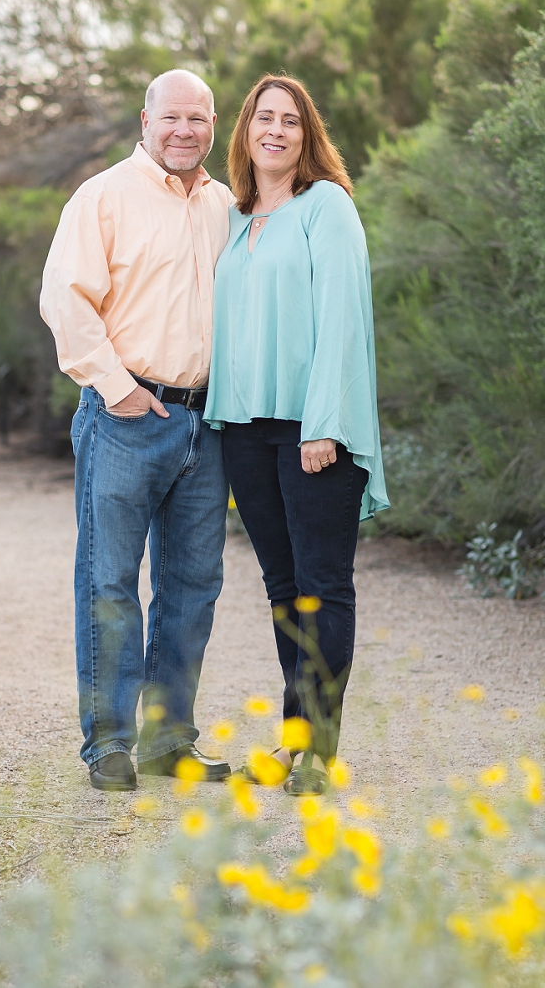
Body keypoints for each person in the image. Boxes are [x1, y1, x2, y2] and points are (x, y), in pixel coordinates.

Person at [40, 69, 235, 791]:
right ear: (145, 120)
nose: (186, 130)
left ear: (214, 126)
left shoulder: (224, 205)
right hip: (125, 417)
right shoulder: (103, 197)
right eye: (173, 117)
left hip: (204, 421)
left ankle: (167, 740)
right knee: (110, 583)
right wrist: (117, 389)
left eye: (200, 118)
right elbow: (65, 298)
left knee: (192, 585)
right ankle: (109, 744)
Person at [204, 74, 389, 796]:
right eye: (263, 118)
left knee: (321, 585)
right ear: (245, 131)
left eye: (290, 120)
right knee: (282, 588)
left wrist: (324, 425)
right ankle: (292, 736)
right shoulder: (237, 215)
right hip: (245, 430)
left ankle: (321, 749)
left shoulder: (327, 207)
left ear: (307, 135)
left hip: (315, 431)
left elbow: (342, 319)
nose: (275, 130)